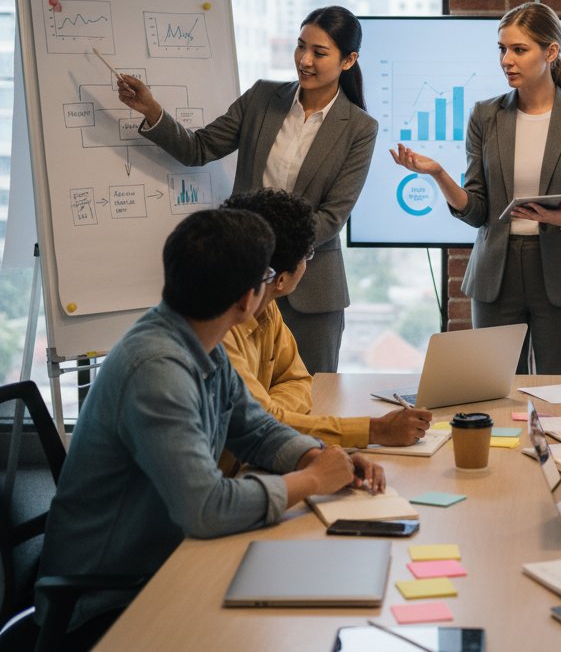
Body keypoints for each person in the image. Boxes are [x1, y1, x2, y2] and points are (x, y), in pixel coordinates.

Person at [36, 209, 384, 650]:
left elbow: (254, 428)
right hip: (106, 604)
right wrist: (314, 480)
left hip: (166, 563)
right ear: (246, 299)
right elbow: (206, 508)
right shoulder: (156, 372)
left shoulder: (199, 339)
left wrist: (315, 455)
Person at [116, 6, 377, 373]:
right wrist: (151, 110)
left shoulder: (360, 128)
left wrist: (277, 257)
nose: (304, 60)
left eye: (319, 53)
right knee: (237, 397)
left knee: (313, 400)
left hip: (312, 290)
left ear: (348, 61)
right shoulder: (262, 98)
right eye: (300, 47)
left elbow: (332, 216)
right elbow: (199, 148)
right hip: (242, 277)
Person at [390, 2, 561, 373]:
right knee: (495, 397)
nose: (506, 60)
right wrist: (439, 174)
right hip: (497, 273)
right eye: (502, 49)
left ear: (551, 52)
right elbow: (477, 210)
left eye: (519, 49)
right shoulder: (485, 115)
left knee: (559, 398)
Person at [220, 187, 432, 463]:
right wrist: (375, 430)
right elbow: (260, 425)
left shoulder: (265, 304)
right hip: (229, 475)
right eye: (307, 256)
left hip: (259, 458)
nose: (307, 262)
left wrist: (272, 412)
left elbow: (296, 380)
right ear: (280, 279)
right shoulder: (219, 329)